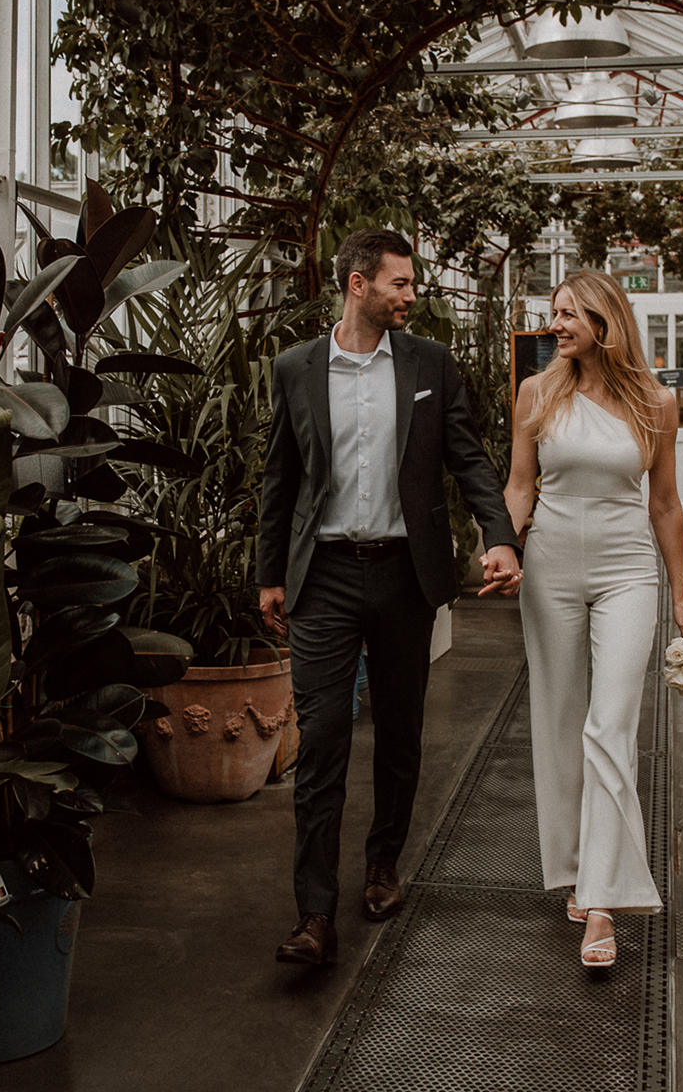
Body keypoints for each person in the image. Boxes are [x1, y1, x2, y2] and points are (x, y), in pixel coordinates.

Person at [257, 227, 524, 966]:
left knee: (401, 733)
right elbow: (280, 476)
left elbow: (467, 457)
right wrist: (269, 573)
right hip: (326, 577)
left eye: (411, 283)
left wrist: (499, 534)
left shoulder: (429, 363)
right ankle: (314, 912)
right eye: (399, 284)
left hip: (407, 574)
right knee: (324, 742)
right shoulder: (297, 369)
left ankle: (382, 864)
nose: (411, 295)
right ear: (357, 285)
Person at [502, 269, 683, 969]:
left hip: (627, 574)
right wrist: (503, 546)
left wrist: (680, 593)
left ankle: (605, 901)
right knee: (561, 722)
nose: (556, 325)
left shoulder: (655, 401)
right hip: (551, 568)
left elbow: (667, 504)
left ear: (605, 321)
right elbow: (521, 484)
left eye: (569, 315)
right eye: (554, 313)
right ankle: (575, 871)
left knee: (610, 726)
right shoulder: (538, 392)